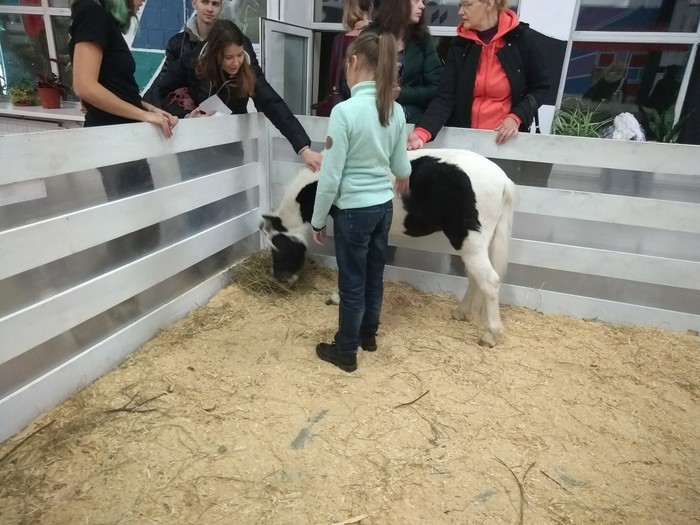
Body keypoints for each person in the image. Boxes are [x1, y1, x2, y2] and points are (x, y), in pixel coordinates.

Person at [310, 31, 411, 373]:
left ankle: (346, 351)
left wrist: (318, 219)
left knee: (351, 281)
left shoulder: (345, 112)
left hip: (353, 210)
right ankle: (368, 336)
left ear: (354, 62)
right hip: (383, 207)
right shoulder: (395, 110)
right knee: (373, 275)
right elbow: (401, 167)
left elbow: (330, 176)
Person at [70, 0, 178, 257]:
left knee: (143, 225)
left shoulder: (102, 19)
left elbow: (115, 88)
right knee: (132, 229)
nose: (142, 2)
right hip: (112, 140)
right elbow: (85, 86)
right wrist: (143, 114)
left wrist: (150, 109)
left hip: (124, 139)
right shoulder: (93, 13)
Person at [158, 19, 322, 171]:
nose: (236, 63)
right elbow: (159, 93)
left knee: (233, 189)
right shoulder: (193, 62)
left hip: (231, 145)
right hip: (195, 145)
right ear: (215, 55)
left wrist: (303, 149)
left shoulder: (248, 69)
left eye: (239, 55)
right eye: (229, 57)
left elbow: (272, 103)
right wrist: (186, 115)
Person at [407, 0, 550, 149]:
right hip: (464, 142)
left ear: (488, 4)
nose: (460, 12)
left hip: (506, 144)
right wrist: (422, 132)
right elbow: (445, 97)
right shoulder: (459, 44)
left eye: (467, 5)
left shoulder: (522, 39)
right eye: (460, 5)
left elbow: (540, 88)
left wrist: (516, 117)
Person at [365, 0, 443, 124]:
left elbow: (437, 88)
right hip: (371, 117)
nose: (422, 6)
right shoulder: (370, 36)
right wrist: (375, 92)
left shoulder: (422, 39)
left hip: (409, 120)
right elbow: (347, 83)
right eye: (416, 1)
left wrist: (402, 93)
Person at [142, 0, 223, 110]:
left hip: (223, 115)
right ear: (194, 3)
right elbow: (163, 87)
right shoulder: (177, 43)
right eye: (204, 2)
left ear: (221, 7)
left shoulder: (232, 42)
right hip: (187, 114)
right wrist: (186, 115)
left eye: (215, 4)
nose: (209, 9)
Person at [331, 0, 373, 101]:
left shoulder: (339, 40)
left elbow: (333, 78)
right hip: (369, 100)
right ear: (370, 7)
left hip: (344, 101)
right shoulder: (374, 37)